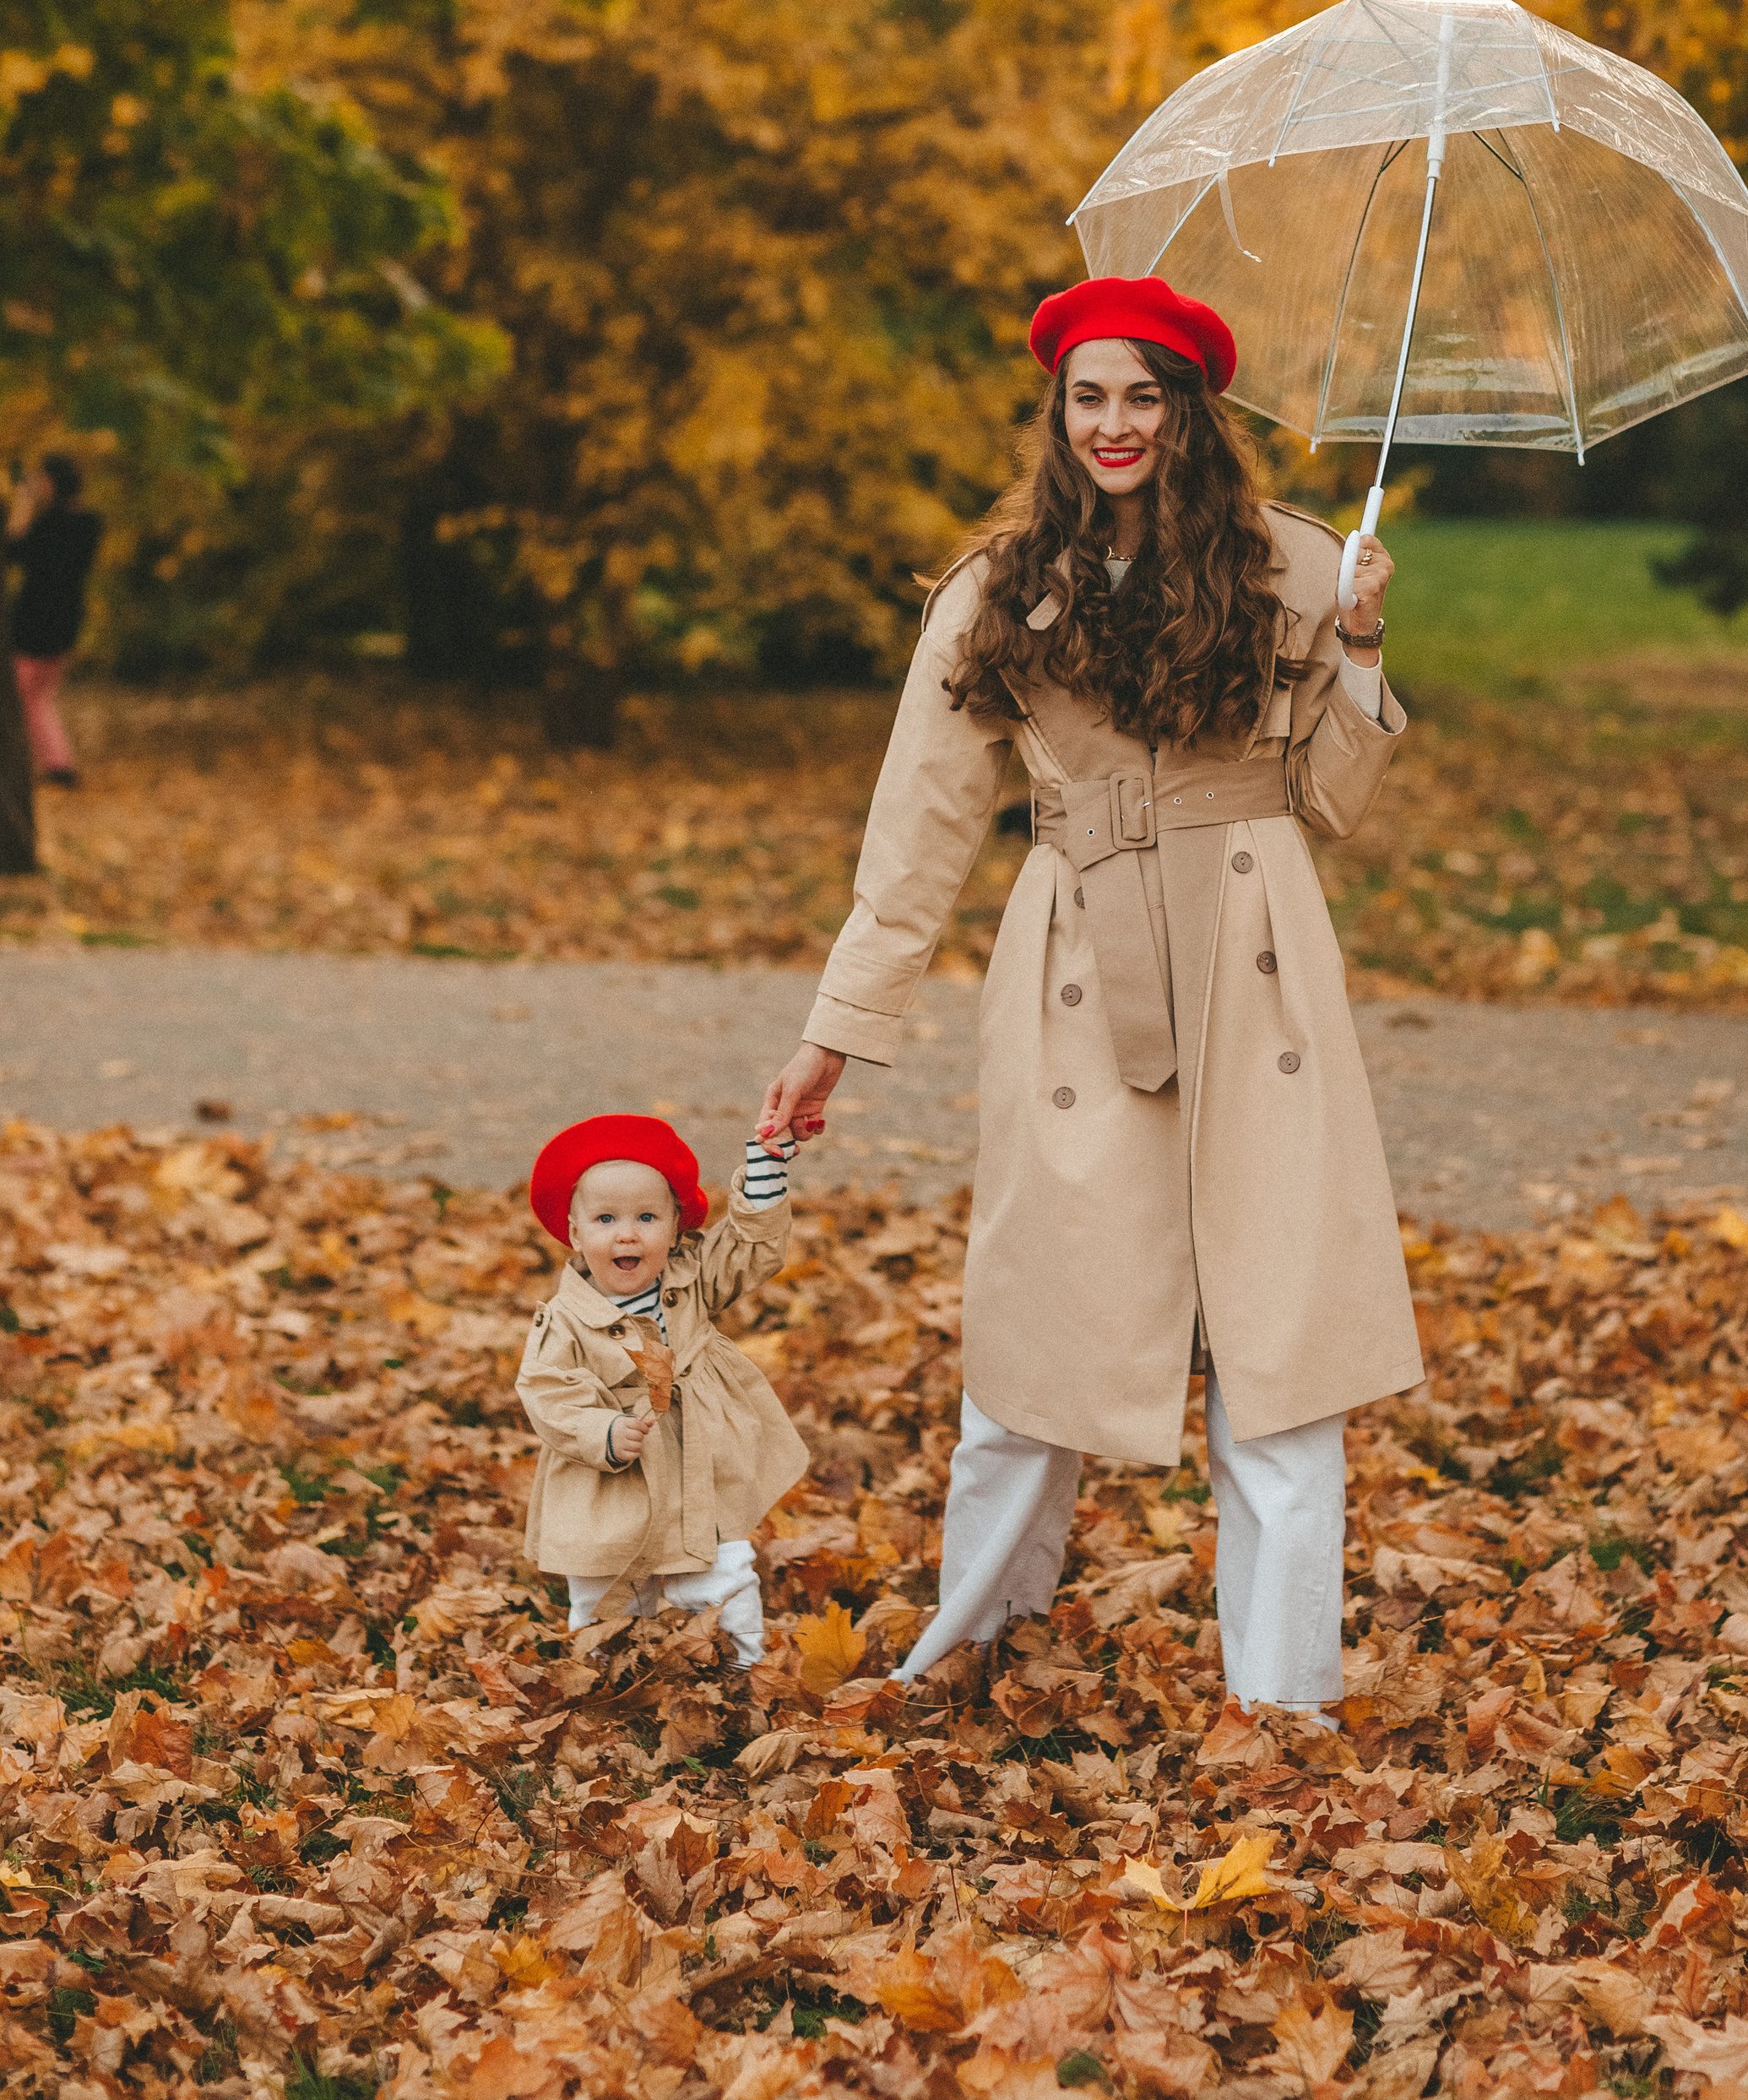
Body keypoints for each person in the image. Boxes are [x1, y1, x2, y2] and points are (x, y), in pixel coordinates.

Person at [757, 274, 1420, 1722]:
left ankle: (1287, 1702)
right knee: (1038, 1316)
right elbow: (918, 835)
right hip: (1073, 964)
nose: (1117, 423)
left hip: (1259, 964)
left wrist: (1360, 650)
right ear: (1058, 414)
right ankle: (975, 1644)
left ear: (1193, 411)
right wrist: (835, 1034)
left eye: (1147, 395)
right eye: (1090, 396)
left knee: (1280, 1339)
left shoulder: (1303, 569)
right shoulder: (996, 594)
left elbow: (1331, 802)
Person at [517, 1114, 810, 1654]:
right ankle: (605, 1672)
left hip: (700, 1460)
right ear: (574, 1232)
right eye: (605, 1219)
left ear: (676, 1226)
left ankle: (745, 1667)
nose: (627, 1233)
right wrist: (600, 1429)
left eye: (647, 1217)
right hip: (612, 1475)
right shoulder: (563, 1319)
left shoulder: (693, 1276)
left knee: (722, 1569)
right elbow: (547, 1388)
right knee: (606, 1584)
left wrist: (766, 1167)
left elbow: (749, 1249)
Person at [5, 453, 102, 788]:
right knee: (39, 698)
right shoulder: (91, 521)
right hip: (68, 618)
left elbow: (11, 549)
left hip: (37, 619)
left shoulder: (51, 524)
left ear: (50, 482)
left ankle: (48, 767)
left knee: (18, 697)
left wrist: (23, 503)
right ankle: (59, 766)